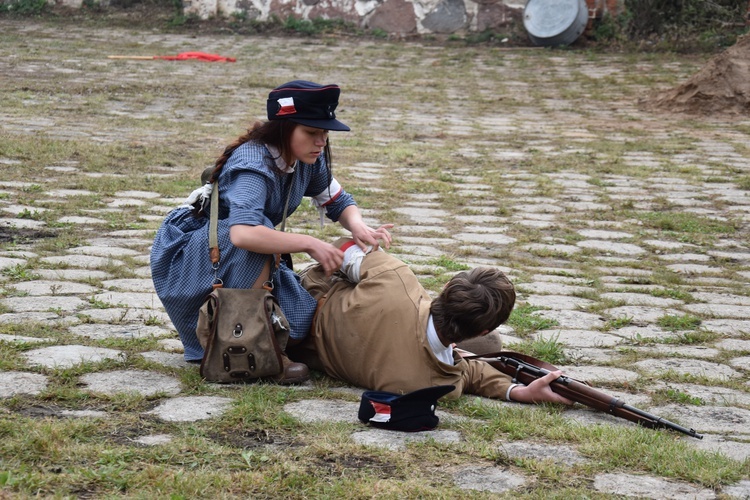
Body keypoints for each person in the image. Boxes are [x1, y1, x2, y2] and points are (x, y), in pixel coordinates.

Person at [150, 81, 393, 382]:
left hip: (238, 252)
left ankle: (268, 336)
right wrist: (308, 243)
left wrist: (358, 225)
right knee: (260, 236)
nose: (321, 141)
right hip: (195, 256)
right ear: (285, 128)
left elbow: (337, 200)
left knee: (300, 322)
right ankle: (250, 347)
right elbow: (243, 234)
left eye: (324, 133)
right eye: (312, 132)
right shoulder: (254, 163)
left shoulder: (306, 158)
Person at [293, 241, 571, 404]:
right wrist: (517, 392)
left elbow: (342, 250)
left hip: (307, 303)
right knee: (488, 345)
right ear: (483, 326)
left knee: (489, 347)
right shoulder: (437, 385)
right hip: (320, 350)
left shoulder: (395, 278)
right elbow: (467, 374)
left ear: (447, 285)